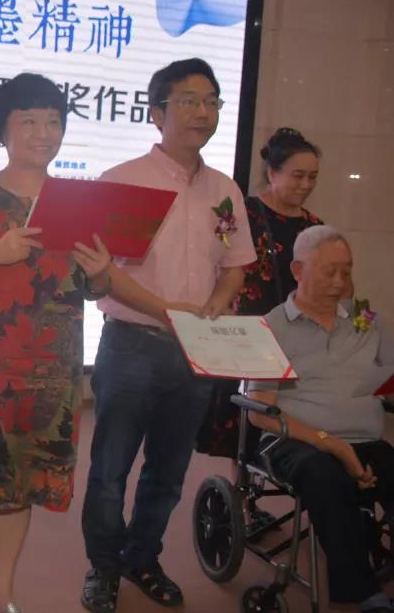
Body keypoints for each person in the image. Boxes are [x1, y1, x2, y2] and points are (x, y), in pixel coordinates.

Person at [0, 73, 111, 613]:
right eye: (28, 120)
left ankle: (5, 589)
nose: (42, 132)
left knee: (24, 485)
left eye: (53, 121)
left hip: (54, 372)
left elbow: (95, 288)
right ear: (3, 129)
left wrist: (102, 273)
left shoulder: (77, 202)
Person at [79, 58, 256, 613]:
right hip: (131, 345)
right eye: (189, 101)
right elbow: (102, 272)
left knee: (169, 472)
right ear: (156, 113)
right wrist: (169, 311)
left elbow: (236, 265)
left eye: (212, 102)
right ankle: (104, 568)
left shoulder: (224, 189)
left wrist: (216, 306)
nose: (203, 112)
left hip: (195, 352)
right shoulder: (120, 181)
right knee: (111, 470)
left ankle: (141, 557)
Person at [247, 225, 394, 613]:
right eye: (329, 272)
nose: (341, 282)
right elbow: (261, 412)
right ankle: (364, 594)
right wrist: (334, 445)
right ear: (297, 270)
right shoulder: (272, 327)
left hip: (365, 440)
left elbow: (389, 380)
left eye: (347, 271)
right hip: (295, 441)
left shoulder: (365, 317)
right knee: (326, 477)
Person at [197, 128, 322, 460]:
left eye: (312, 177)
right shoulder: (242, 215)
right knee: (242, 425)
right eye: (297, 175)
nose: (306, 185)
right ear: (272, 172)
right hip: (248, 334)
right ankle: (240, 485)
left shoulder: (315, 228)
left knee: (288, 424)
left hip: (295, 338)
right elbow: (215, 266)